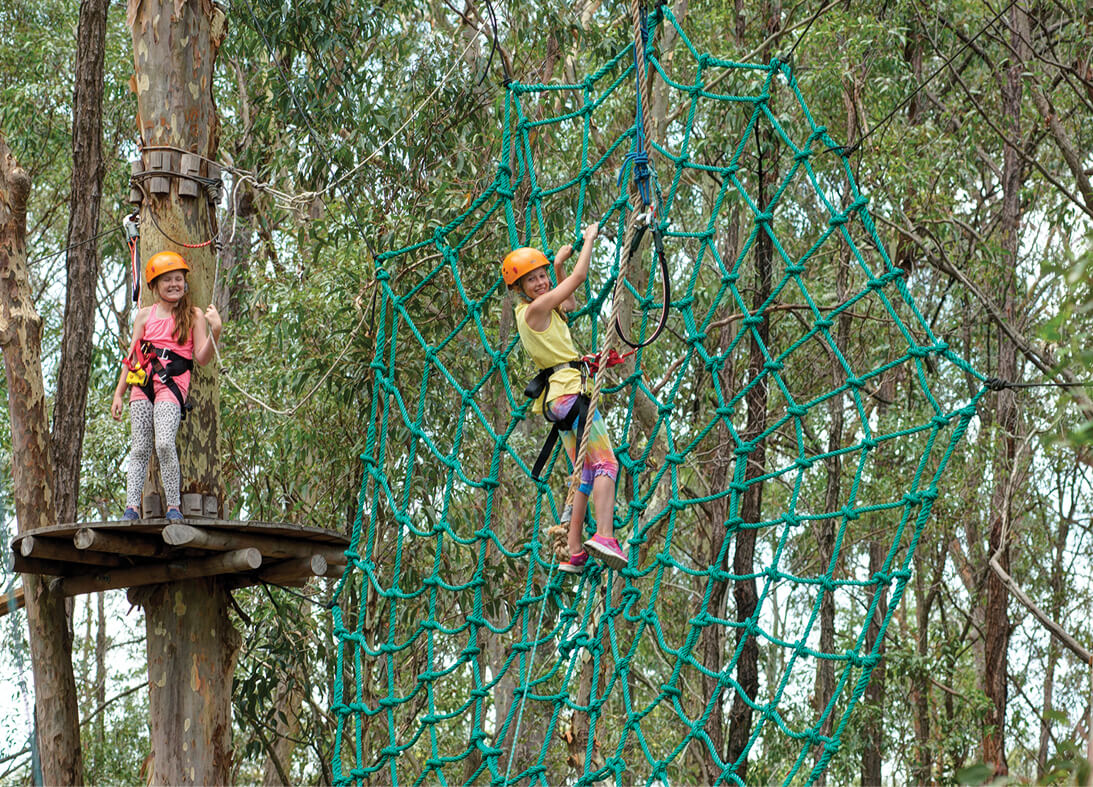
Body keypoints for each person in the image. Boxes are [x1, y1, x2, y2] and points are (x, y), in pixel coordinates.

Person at [502, 222, 627, 572]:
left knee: (584, 474)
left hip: (562, 401)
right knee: (606, 464)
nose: (541, 282)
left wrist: (557, 267)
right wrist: (589, 240)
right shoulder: (534, 310)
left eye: (543, 276)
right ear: (519, 288)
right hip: (570, 395)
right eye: (533, 279)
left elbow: (568, 300)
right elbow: (577, 281)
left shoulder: (536, 309)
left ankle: (574, 549)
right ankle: (604, 535)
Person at [111, 250, 222, 521]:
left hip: (172, 386)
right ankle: (131, 508)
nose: (174, 284)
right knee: (139, 448)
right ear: (154, 285)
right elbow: (132, 357)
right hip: (143, 384)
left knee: (163, 444)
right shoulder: (145, 316)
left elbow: (202, 358)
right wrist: (119, 393)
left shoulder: (193, 315)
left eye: (178, 279)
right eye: (166, 280)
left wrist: (215, 331)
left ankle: (174, 506)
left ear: (185, 283)